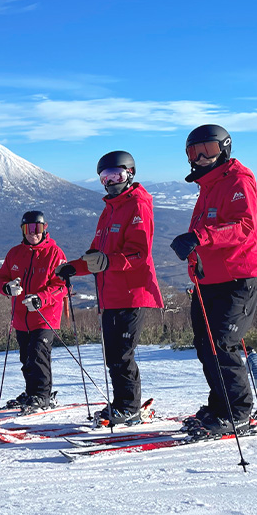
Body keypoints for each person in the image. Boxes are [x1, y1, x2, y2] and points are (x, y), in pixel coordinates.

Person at [170, 124, 257, 435]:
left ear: (224, 148)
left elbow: (243, 226)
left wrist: (199, 237)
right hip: (208, 279)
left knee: (222, 343)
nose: (199, 158)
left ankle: (238, 411)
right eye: (193, 152)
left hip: (239, 277)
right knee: (205, 344)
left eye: (207, 150)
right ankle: (220, 404)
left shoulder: (238, 179)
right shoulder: (208, 186)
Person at [55, 151, 164, 425]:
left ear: (130, 174)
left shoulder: (137, 205)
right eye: (106, 177)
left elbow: (139, 253)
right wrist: (74, 267)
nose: (111, 182)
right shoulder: (110, 209)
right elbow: (98, 259)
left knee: (122, 354)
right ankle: (122, 404)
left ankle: (129, 407)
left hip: (131, 291)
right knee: (113, 355)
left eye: (117, 175)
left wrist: (107, 261)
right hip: (110, 294)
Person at [0, 211, 68, 411]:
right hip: (21, 317)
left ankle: (42, 395)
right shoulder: (15, 253)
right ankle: (31, 392)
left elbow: (61, 286)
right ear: (23, 230)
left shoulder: (55, 253)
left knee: (38, 353)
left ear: (45, 229)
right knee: (26, 357)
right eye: (28, 229)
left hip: (45, 316)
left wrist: (41, 299)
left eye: (37, 228)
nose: (33, 233)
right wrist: (7, 288)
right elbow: (1, 278)